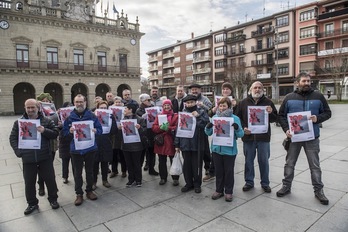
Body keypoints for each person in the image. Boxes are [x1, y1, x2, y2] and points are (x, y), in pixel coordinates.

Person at [276, 72, 332, 205]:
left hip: (312, 137)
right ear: (297, 83)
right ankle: (286, 186)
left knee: (315, 166)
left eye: (308, 81)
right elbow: (281, 115)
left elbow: (328, 112)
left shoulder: (318, 96)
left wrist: (318, 118)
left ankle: (319, 190)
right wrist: (286, 130)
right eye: (304, 81)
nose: (307, 83)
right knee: (290, 163)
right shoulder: (289, 97)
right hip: (294, 137)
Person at [9, 99, 60, 215]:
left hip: (44, 157)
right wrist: (18, 152)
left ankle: (53, 199)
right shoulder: (19, 123)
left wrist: (44, 130)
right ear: (25, 108)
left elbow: (55, 133)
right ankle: (32, 203)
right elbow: (12, 138)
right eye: (28, 108)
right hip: (28, 159)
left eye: (33, 107)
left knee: (50, 179)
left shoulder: (46, 121)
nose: (30, 110)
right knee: (29, 182)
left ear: (38, 108)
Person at [235, 81, 278, 193]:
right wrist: (243, 128)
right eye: (255, 88)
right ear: (250, 90)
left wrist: (271, 112)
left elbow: (275, 119)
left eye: (259, 88)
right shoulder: (243, 103)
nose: (257, 90)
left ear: (263, 90)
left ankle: (265, 183)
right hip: (248, 138)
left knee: (264, 161)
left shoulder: (268, 102)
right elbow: (238, 118)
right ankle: (249, 182)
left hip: (263, 138)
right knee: (248, 161)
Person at [62, 94, 102, 206]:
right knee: (77, 173)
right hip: (76, 150)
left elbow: (100, 129)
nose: (79, 104)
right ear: (74, 103)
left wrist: (96, 131)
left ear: (85, 102)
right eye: (77, 102)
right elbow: (64, 134)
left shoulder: (92, 116)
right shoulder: (69, 118)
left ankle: (89, 190)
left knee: (89, 171)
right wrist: (69, 132)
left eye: (81, 102)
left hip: (90, 148)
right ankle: (79, 194)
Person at [205, 97, 244, 202]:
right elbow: (208, 133)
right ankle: (219, 190)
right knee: (219, 171)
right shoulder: (215, 117)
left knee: (229, 172)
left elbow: (240, 134)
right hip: (217, 149)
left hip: (230, 150)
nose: (222, 107)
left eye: (224, 105)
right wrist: (208, 127)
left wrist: (237, 128)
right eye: (220, 105)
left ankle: (229, 192)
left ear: (229, 106)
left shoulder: (235, 118)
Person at [174, 95, 210, 193]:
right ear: (185, 104)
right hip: (185, 144)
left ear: (195, 102)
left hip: (197, 144)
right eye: (188, 103)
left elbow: (206, 125)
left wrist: (197, 117)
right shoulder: (183, 114)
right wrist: (177, 144)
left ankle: (197, 184)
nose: (190, 104)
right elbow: (178, 129)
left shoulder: (201, 112)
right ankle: (188, 183)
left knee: (197, 165)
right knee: (187, 165)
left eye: (191, 102)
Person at [204, 82, 236, 182]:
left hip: (230, 132)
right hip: (218, 132)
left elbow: (238, 116)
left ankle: (226, 178)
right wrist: (212, 110)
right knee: (215, 154)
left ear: (231, 91)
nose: (225, 91)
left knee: (227, 159)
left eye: (227, 89)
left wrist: (236, 106)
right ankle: (212, 172)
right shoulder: (218, 100)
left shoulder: (235, 101)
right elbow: (209, 113)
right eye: (223, 89)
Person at [152, 99, 179, 186]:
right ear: (162, 107)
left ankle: (175, 178)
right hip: (161, 141)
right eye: (165, 105)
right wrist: (161, 128)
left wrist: (168, 128)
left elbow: (177, 127)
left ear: (171, 106)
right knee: (161, 161)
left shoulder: (176, 116)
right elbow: (154, 128)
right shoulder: (159, 116)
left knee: (173, 160)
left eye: (168, 105)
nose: (166, 107)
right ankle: (163, 177)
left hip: (171, 141)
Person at [36, 92, 58, 196]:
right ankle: (41, 185)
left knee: (49, 166)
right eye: (43, 101)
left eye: (47, 101)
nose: (45, 103)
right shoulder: (35, 114)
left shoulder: (54, 113)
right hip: (40, 143)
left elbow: (57, 129)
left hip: (52, 143)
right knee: (41, 166)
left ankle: (52, 186)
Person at [189, 83, 213, 177]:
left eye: (196, 89)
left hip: (203, 126)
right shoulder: (188, 99)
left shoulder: (205, 99)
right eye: (192, 90)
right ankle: (195, 167)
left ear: (200, 90)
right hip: (192, 128)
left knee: (205, 149)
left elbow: (211, 111)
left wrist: (203, 106)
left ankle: (207, 167)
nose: (194, 91)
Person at [120, 104, 147, 187]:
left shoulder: (140, 119)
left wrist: (140, 128)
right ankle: (131, 179)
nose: (124, 110)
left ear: (130, 110)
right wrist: (119, 129)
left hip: (136, 146)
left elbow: (144, 132)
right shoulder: (123, 120)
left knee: (136, 163)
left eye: (125, 109)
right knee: (129, 163)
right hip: (126, 145)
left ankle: (138, 180)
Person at [93, 100, 117, 189]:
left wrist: (112, 120)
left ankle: (105, 180)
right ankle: (94, 182)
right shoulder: (93, 116)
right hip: (95, 142)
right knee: (94, 164)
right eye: (101, 108)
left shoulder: (111, 117)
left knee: (105, 163)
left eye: (105, 108)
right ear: (97, 108)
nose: (103, 110)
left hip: (106, 142)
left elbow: (114, 131)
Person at [135, 93, 159, 176]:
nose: (150, 101)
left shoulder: (153, 107)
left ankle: (151, 169)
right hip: (143, 134)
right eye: (148, 100)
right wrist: (142, 117)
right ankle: (138, 172)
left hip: (152, 133)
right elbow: (136, 122)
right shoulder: (139, 110)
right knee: (141, 154)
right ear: (142, 101)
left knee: (152, 153)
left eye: (150, 99)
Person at [110, 96, 127, 178]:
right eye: (116, 102)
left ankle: (124, 171)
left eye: (119, 102)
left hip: (122, 135)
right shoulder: (110, 112)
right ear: (114, 103)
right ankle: (114, 170)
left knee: (122, 154)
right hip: (114, 135)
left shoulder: (125, 111)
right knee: (114, 154)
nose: (118, 103)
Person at [58, 102, 74, 184]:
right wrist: (60, 126)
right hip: (64, 142)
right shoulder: (59, 117)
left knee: (75, 162)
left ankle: (76, 176)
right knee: (65, 161)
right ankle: (65, 176)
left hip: (73, 141)